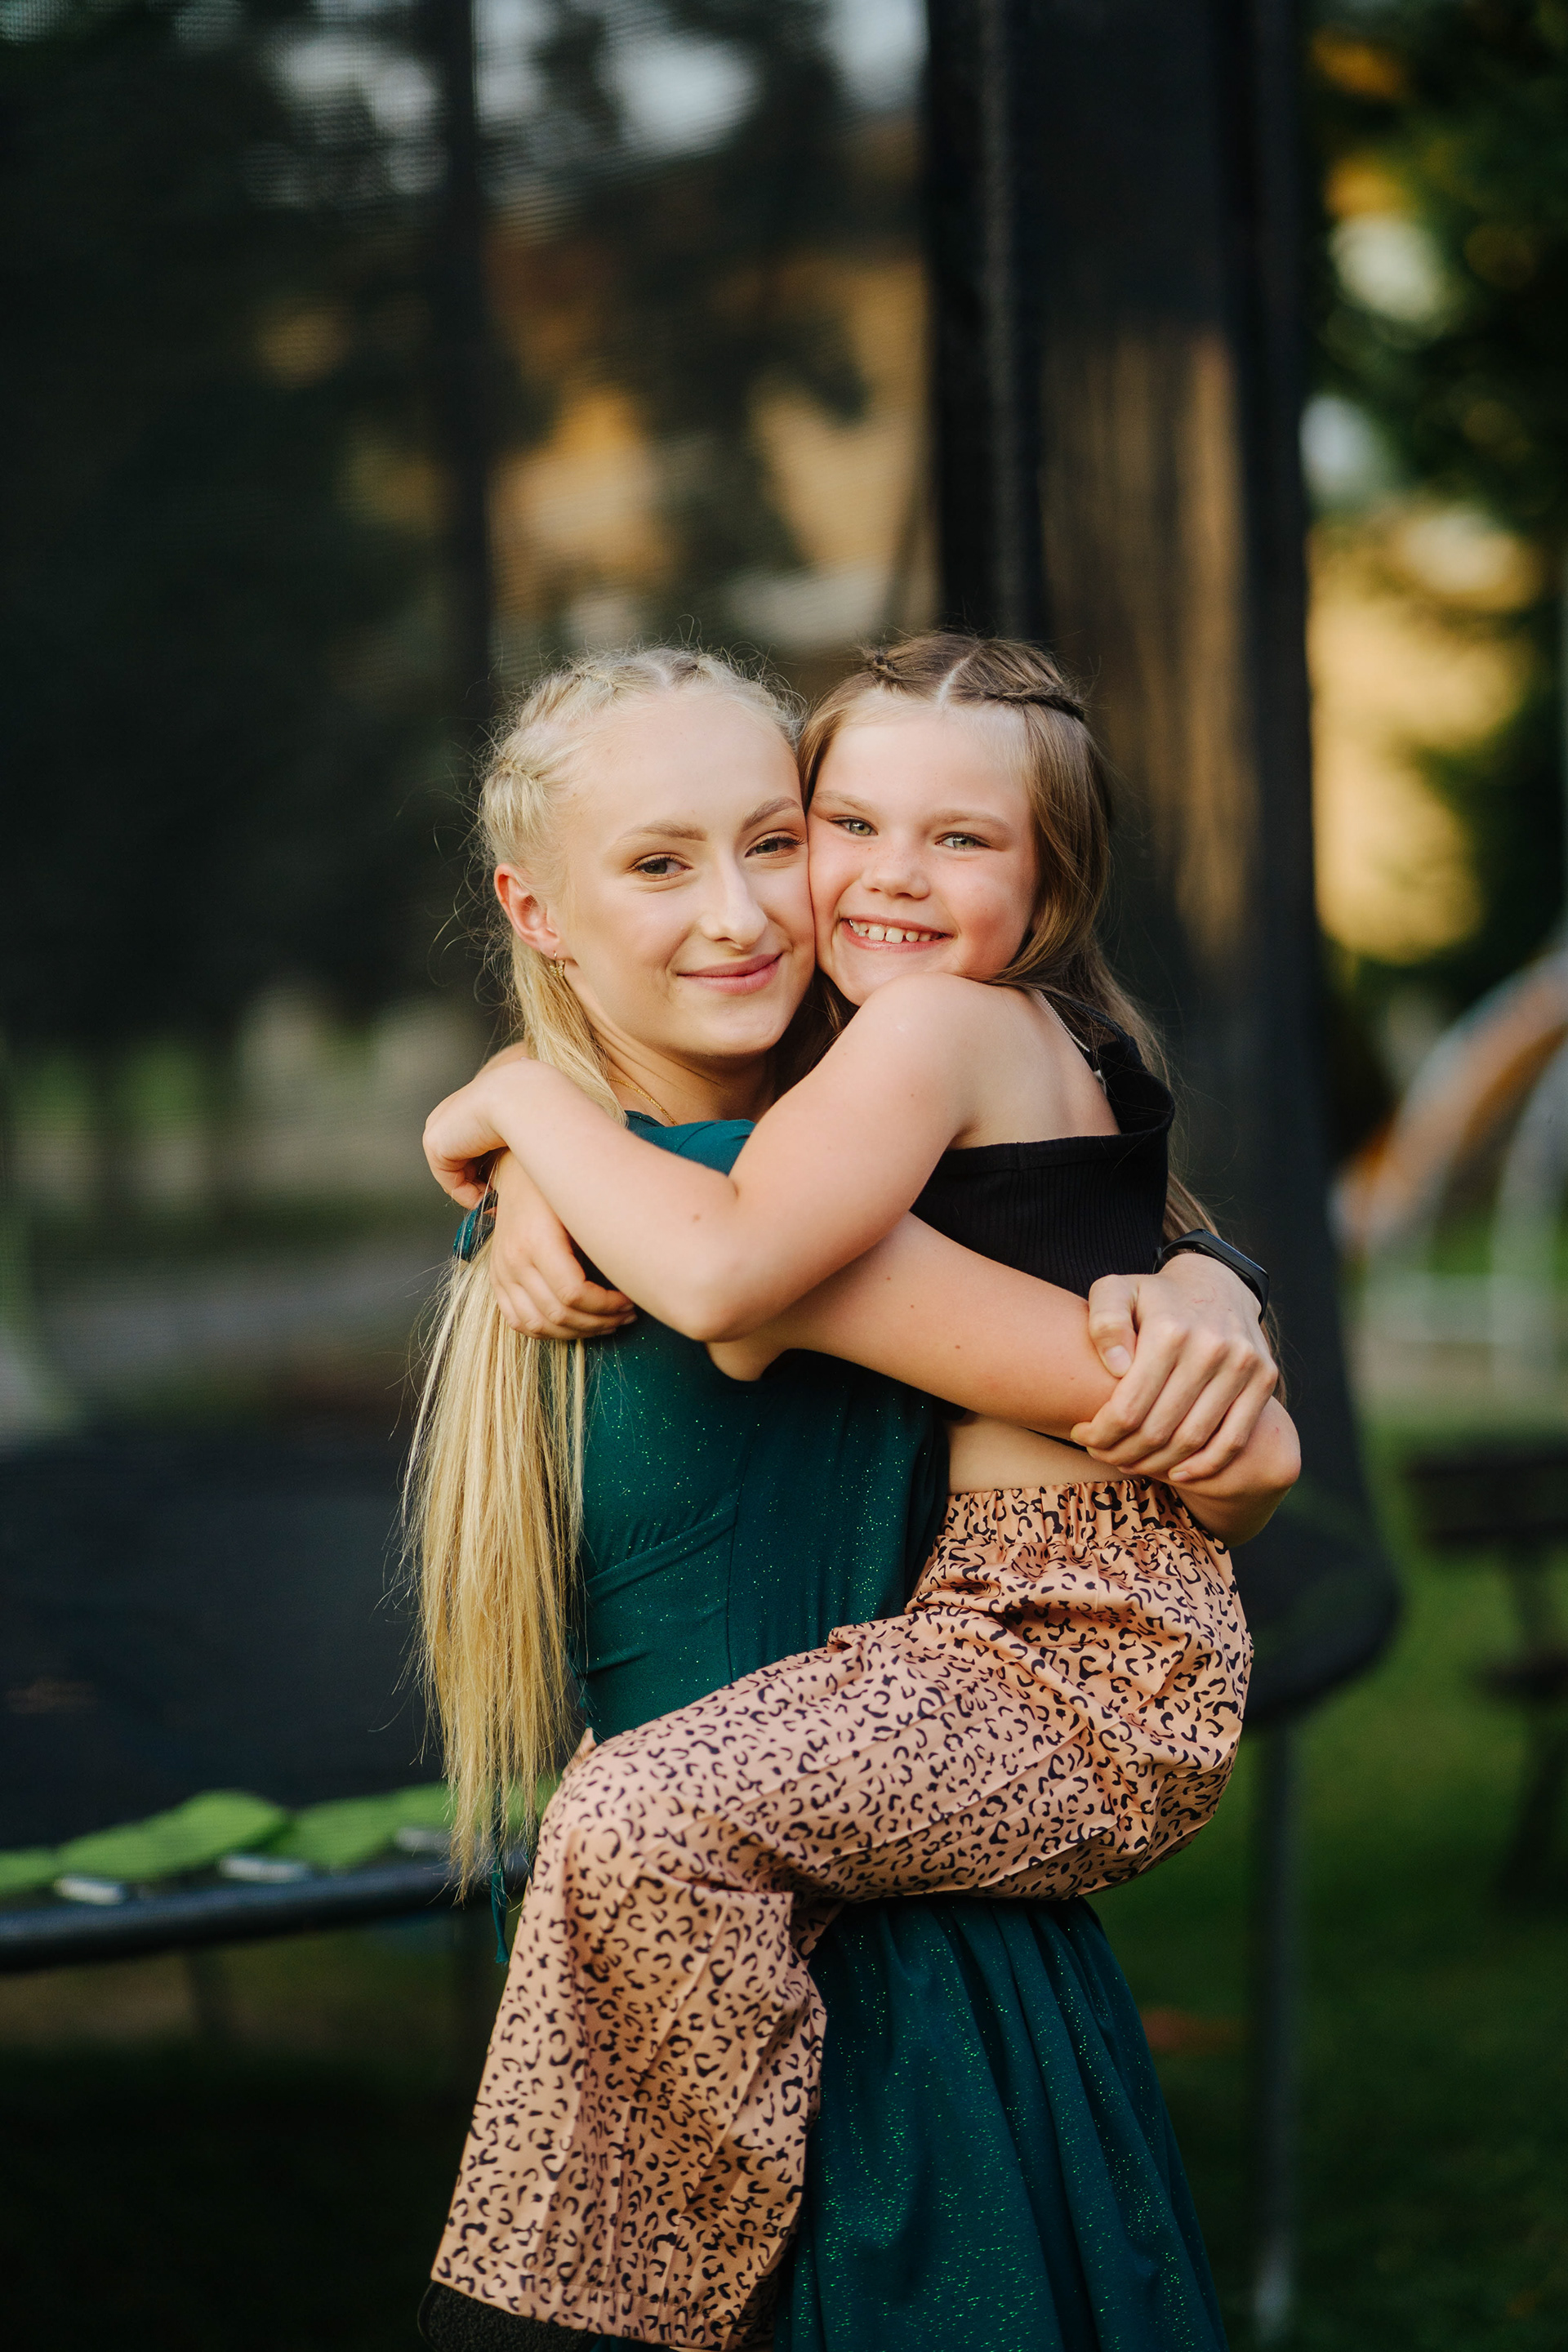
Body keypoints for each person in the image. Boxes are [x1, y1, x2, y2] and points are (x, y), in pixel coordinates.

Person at [412, 642, 1290, 2352]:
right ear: (537, 910)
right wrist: (540, 1150)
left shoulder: (793, 1150)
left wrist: (519, 1104)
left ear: (1050, 879)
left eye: (769, 840)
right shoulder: (697, 1178)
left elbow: (744, 1286)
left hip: (948, 1846)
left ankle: (589, 2307)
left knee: (635, 1819)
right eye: (848, 826)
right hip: (842, 1904)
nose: (755, 909)